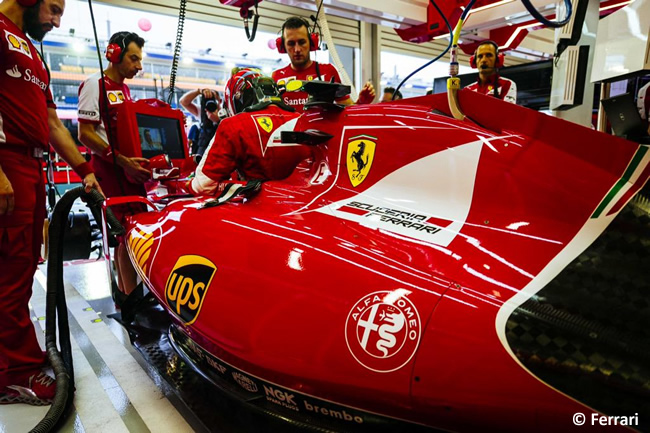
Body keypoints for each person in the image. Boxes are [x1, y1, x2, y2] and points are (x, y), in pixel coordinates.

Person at [0, 0, 102, 406]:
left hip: (29, 167)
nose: (57, 22)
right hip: (6, 162)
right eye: (54, 9)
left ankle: (18, 353)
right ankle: (13, 375)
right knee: (8, 271)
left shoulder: (31, 51)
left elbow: (54, 122)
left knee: (23, 266)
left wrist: (83, 168)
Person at [77, 31, 150, 297]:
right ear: (114, 54)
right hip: (108, 173)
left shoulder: (125, 89)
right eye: (133, 58)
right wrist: (122, 161)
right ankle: (130, 301)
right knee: (122, 234)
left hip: (128, 173)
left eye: (140, 60)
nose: (139, 66)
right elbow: (84, 134)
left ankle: (130, 295)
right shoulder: (95, 83)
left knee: (132, 234)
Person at [190, 69, 311, 195]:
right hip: (308, 207)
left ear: (236, 99)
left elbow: (203, 186)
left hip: (259, 210)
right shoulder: (306, 121)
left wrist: (245, 187)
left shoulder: (233, 126)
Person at [272, 16, 375, 110]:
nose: (297, 49)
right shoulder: (276, 78)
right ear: (283, 46)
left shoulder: (328, 71)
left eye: (302, 42)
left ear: (312, 42)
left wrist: (361, 102)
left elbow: (348, 112)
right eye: (291, 44)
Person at [180, 88, 222, 161]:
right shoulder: (202, 112)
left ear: (219, 101)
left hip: (218, 156)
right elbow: (183, 102)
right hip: (202, 155)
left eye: (213, 100)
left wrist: (219, 121)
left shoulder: (225, 114)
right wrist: (199, 91)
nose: (211, 103)